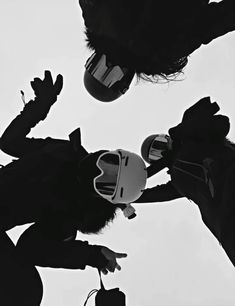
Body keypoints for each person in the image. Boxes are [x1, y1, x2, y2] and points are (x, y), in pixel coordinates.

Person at [0, 70, 147, 306]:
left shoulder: (74, 212)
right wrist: (40, 106)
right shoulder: (65, 153)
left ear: (104, 197)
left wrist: (91, 255)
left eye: (105, 183)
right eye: (107, 164)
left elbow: (29, 249)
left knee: (25, 291)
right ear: (107, 152)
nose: (98, 172)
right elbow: (10, 143)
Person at [134, 96, 235, 267]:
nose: (163, 151)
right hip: (227, 225)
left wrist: (183, 132)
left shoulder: (193, 138)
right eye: (155, 153)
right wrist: (119, 195)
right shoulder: (178, 180)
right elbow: (150, 195)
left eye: (160, 143)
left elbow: (221, 124)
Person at [79, 0, 235, 102]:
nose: (111, 64)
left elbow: (215, 22)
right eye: (111, 76)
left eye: (99, 69)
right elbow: (212, 23)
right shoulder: (95, 18)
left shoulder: (163, 54)